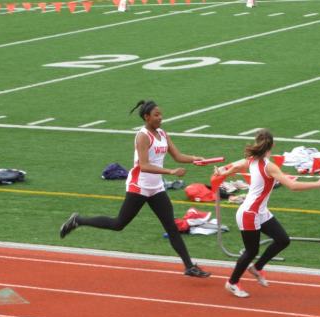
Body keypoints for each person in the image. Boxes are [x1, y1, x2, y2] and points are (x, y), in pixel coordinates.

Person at [60, 100, 211, 278]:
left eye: (161, 114)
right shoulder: (142, 136)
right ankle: (78, 220)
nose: (160, 117)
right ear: (146, 117)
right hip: (139, 186)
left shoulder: (162, 133)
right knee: (118, 224)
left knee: (171, 226)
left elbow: (177, 156)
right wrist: (170, 171)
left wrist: (195, 159)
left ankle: (189, 266)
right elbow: (144, 165)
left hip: (156, 188)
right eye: (156, 115)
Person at [214, 129, 320, 297]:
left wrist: (224, 171)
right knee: (251, 251)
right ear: (272, 145)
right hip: (249, 214)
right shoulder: (269, 166)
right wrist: (318, 184)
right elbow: (292, 186)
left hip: (260, 211)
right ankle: (232, 283)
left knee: (282, 240)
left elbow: (237, 165)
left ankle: (257, 268)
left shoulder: (252, 160)